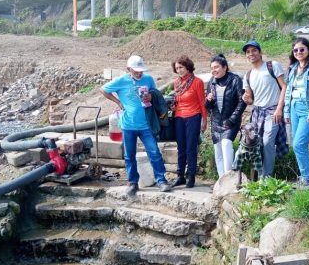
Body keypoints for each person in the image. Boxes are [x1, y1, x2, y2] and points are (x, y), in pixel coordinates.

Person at [100, 55, 173, 196]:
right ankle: (132, 182)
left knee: (154, 153)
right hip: (128, 125)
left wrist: (151, 97)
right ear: (129, 69)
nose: (139, 73)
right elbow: (103, 90)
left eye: (141, 70)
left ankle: (161, 180)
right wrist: (118, 103)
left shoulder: (148, 79)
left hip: (146, 124)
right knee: (129, 155)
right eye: (136, 70)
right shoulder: (121, 80)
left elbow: (156, 94)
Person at [241, 40, 288, 178]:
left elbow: (284, 86)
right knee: (257, 144)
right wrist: (246, 98)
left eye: (254, 50)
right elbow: (250, 99)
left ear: (260, 52)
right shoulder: (248, 75)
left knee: (268, 142)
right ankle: (258, 176)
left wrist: (279, 108)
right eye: (248, 52)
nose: (251, 54)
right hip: (257, 112)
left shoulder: (272, 66)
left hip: (272, 111)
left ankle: (266, 177)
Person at [282, 38, 309, 186]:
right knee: (296, 144)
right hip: (294, 108)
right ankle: (304, 176)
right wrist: (286, 112)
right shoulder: (292, 68)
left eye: (302, 49)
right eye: (295, 50)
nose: (298, 52)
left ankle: (306, 178)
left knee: (299, 144)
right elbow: (288, 90)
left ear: (308, 50)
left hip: (308, 108)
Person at [205, 54, 247, 178]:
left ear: (225, 67)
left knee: (226, 144)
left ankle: (229, 176)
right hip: (216, 122)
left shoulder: (235, 80)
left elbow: (242, 102)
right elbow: (208, 106)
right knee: (218, 150)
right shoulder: (211, 82)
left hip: (231, 122)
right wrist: (209, 100)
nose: (214, 70)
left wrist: (232, 119)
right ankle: (221, 179)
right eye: (212, 68)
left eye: (216, 67)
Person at [171, 55, 207, 188]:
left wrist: (204, 120)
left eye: (181, 67)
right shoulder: (176, 83)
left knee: (191, 148)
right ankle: (180, 176)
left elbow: (202, 103)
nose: (179, 70)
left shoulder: (197, 82)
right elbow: (177, 100)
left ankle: (191, 176)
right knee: (181, 148)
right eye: (177, 68)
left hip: (193, 116)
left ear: (188, 67)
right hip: (179, 117)